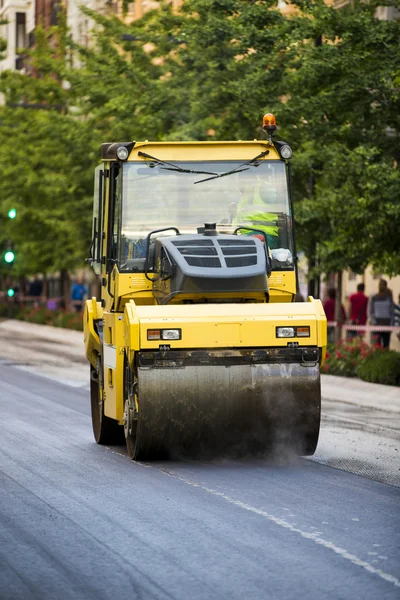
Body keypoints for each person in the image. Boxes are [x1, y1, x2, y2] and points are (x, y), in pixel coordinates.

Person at [369, 279, 394, 349]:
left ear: (386, 286)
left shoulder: (389, 298)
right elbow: (371, 311)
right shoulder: (374, 298)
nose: (381, 286)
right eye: (380, 284)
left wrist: (392, 324)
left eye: (383, 284)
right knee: (377, 346)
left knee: (386, 346)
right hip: (377, 325)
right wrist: (374, 321)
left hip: (387, 324)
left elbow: (392, 312)